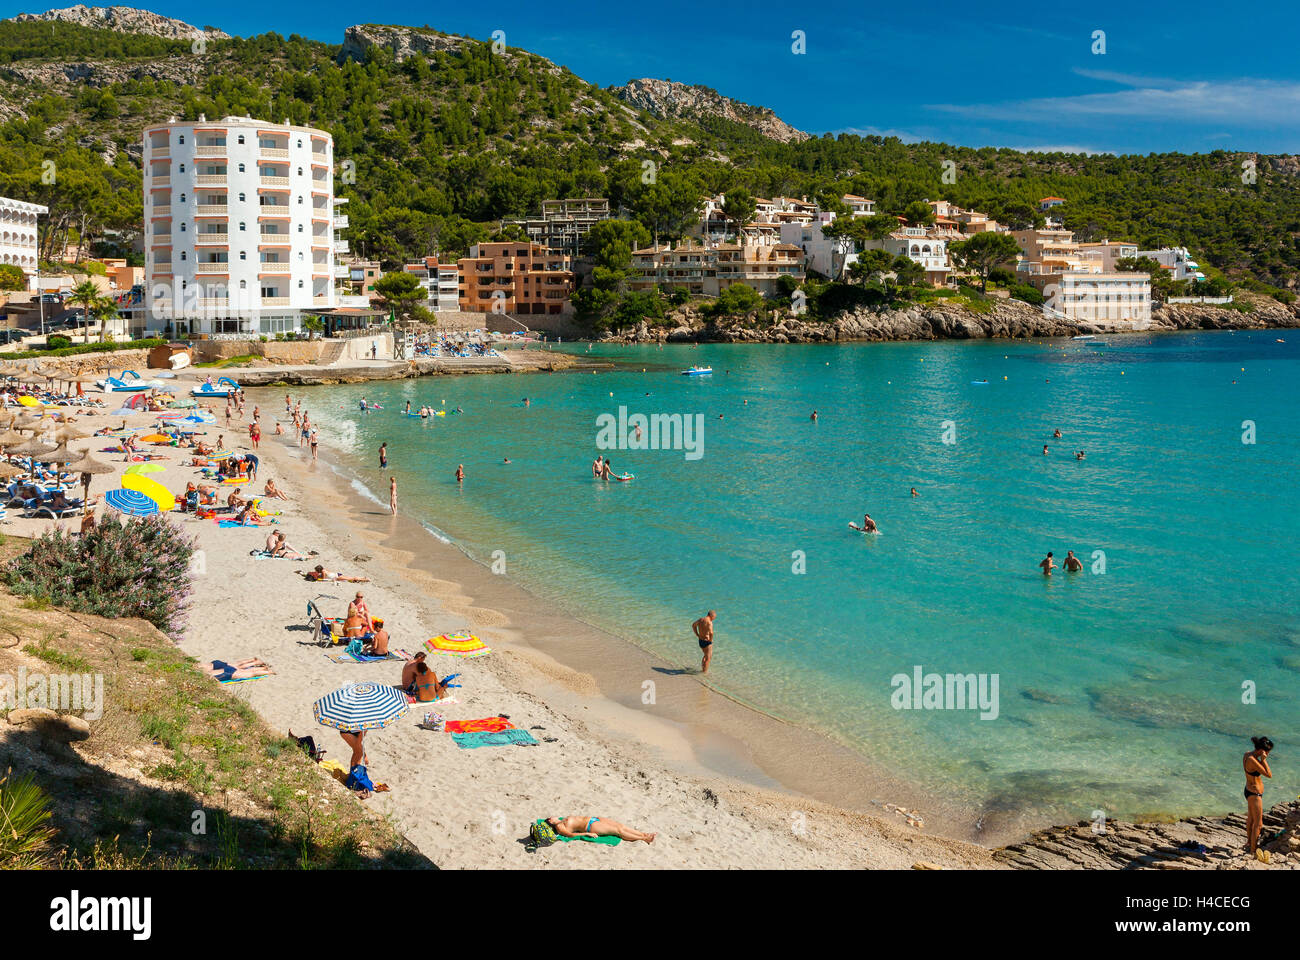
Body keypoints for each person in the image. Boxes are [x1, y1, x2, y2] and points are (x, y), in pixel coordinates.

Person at [1244, 735, 1274, 861]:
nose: (1268, 754)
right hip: (1254, 794)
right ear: (1262, 750)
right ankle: (1252, 850)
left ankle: (1248, 843)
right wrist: (1264, 760)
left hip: (1249, 791)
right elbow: (1269, 774)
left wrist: (1261, 758)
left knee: (1251, 819)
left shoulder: (1248, 754)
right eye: (1267, 751)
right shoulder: (1252, 760)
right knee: (1258, 824)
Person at [543, 815, 656, 845]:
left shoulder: (561, 820)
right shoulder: (559, 827)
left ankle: (644, 834)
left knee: (621, 826)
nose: (554, 816)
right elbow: (570, 835)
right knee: (618, 831)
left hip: (594, 819)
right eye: (552, 818)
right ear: (551, 821)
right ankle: (644, 839)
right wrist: (587, 833)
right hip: (590, 827)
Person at [692, 610, 717, 674]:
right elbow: (711, 633)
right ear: (712, 616)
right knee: (708, 657)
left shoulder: (701, 620)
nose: (714, 619)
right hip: (707, 641)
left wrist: (697, 634)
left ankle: (703, 669)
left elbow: (693, 625)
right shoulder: (709, 622)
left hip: (700, 640)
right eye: (714, 617)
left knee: (705, 655)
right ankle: (704, 673)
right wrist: (710, 641)